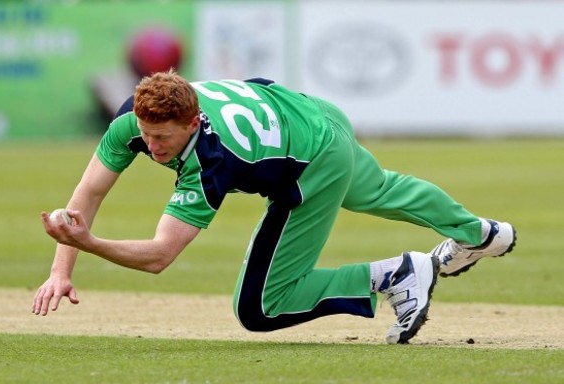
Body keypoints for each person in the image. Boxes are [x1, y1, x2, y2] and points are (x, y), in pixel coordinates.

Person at [32, 70, 516, 344]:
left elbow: (160, 255)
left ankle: (395, 275)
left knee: (261, 307)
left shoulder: (213, 158)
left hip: (312, 159)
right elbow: (87, 195)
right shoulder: (133, 120)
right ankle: (481, 233)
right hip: (315, 114)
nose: (152, 147)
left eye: (164, 138)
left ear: (193, 120)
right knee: (381, 190)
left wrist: (90, 244)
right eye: (145, 134)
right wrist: (61, 270)